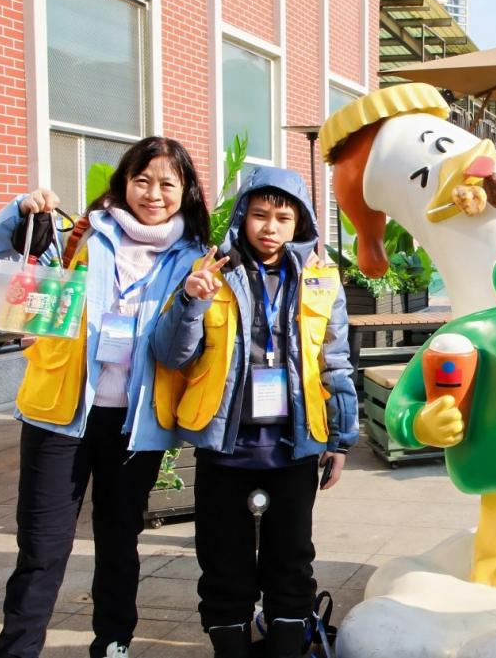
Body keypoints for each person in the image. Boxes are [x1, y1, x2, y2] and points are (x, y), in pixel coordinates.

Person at [0, 137, 211, 658]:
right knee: (42, 548)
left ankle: (113, 643)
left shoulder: (195, 259)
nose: (153, 194)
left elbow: (187, 346)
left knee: (119, 542)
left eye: (167, 183)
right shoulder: (80, 235)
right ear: (123, 183)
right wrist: (18, 212)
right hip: (59, 416)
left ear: (186, 191)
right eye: (142, 180)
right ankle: (16, 650)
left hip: (136, 425)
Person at [151, 166, 358, 658]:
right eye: (260, 214)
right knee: (224, 566)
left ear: (300, 223)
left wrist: (341, 439)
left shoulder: (322, 280)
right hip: (224, 447)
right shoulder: (209, 271)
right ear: (243, 215)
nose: (270, 227)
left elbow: (335, 361)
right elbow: (171, 354)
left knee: (292, 563)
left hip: (294, 449)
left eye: (283, 218)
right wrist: (190, 301)